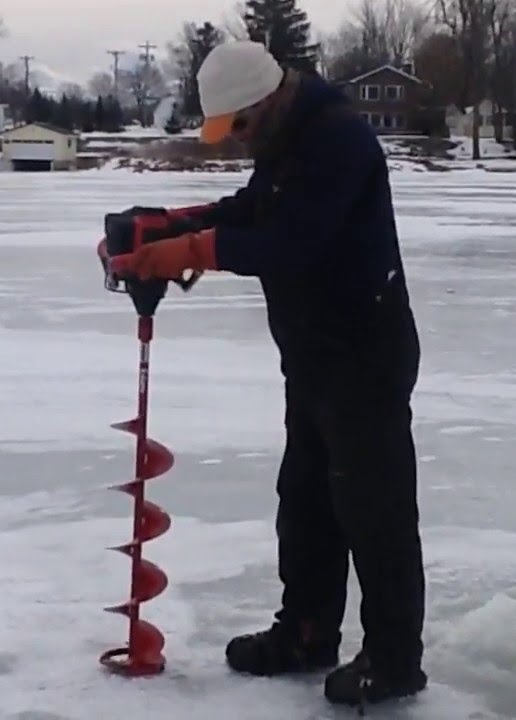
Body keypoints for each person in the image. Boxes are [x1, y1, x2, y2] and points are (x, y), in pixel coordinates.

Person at [107, 41, 427, 708]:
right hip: (313, 353)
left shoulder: (340, 140)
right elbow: (256, 210)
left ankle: (395, 659)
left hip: (363, 353)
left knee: (373, 510)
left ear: (265, 102)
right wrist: (175, 222)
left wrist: (191, 249)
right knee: (307, 499)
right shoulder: (286, 138)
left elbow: (291, 244)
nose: (235, 143)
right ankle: (308, 631)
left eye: (238, 128)